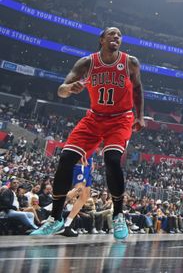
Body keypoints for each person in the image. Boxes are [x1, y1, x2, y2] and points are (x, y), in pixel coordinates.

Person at [31, 27, 145, 240]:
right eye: (112, 34)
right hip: (94, 117)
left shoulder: (130, 62)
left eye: (119, 35)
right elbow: (61, 89)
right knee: (65, 158)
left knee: (111, 159)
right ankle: (55, 219)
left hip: (120, 118)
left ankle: (119, 215)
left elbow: (138, 89)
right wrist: (69, 87)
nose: (116, 37)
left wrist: (140, 116)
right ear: (102, 39)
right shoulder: (87, 63)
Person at [59, 156, 94, 237]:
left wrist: (92, 161)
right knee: (79, 189)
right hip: (82, 158)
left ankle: (67, 225)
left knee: (85, 195)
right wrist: (82, 156)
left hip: (88, 160)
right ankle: (53, 213)